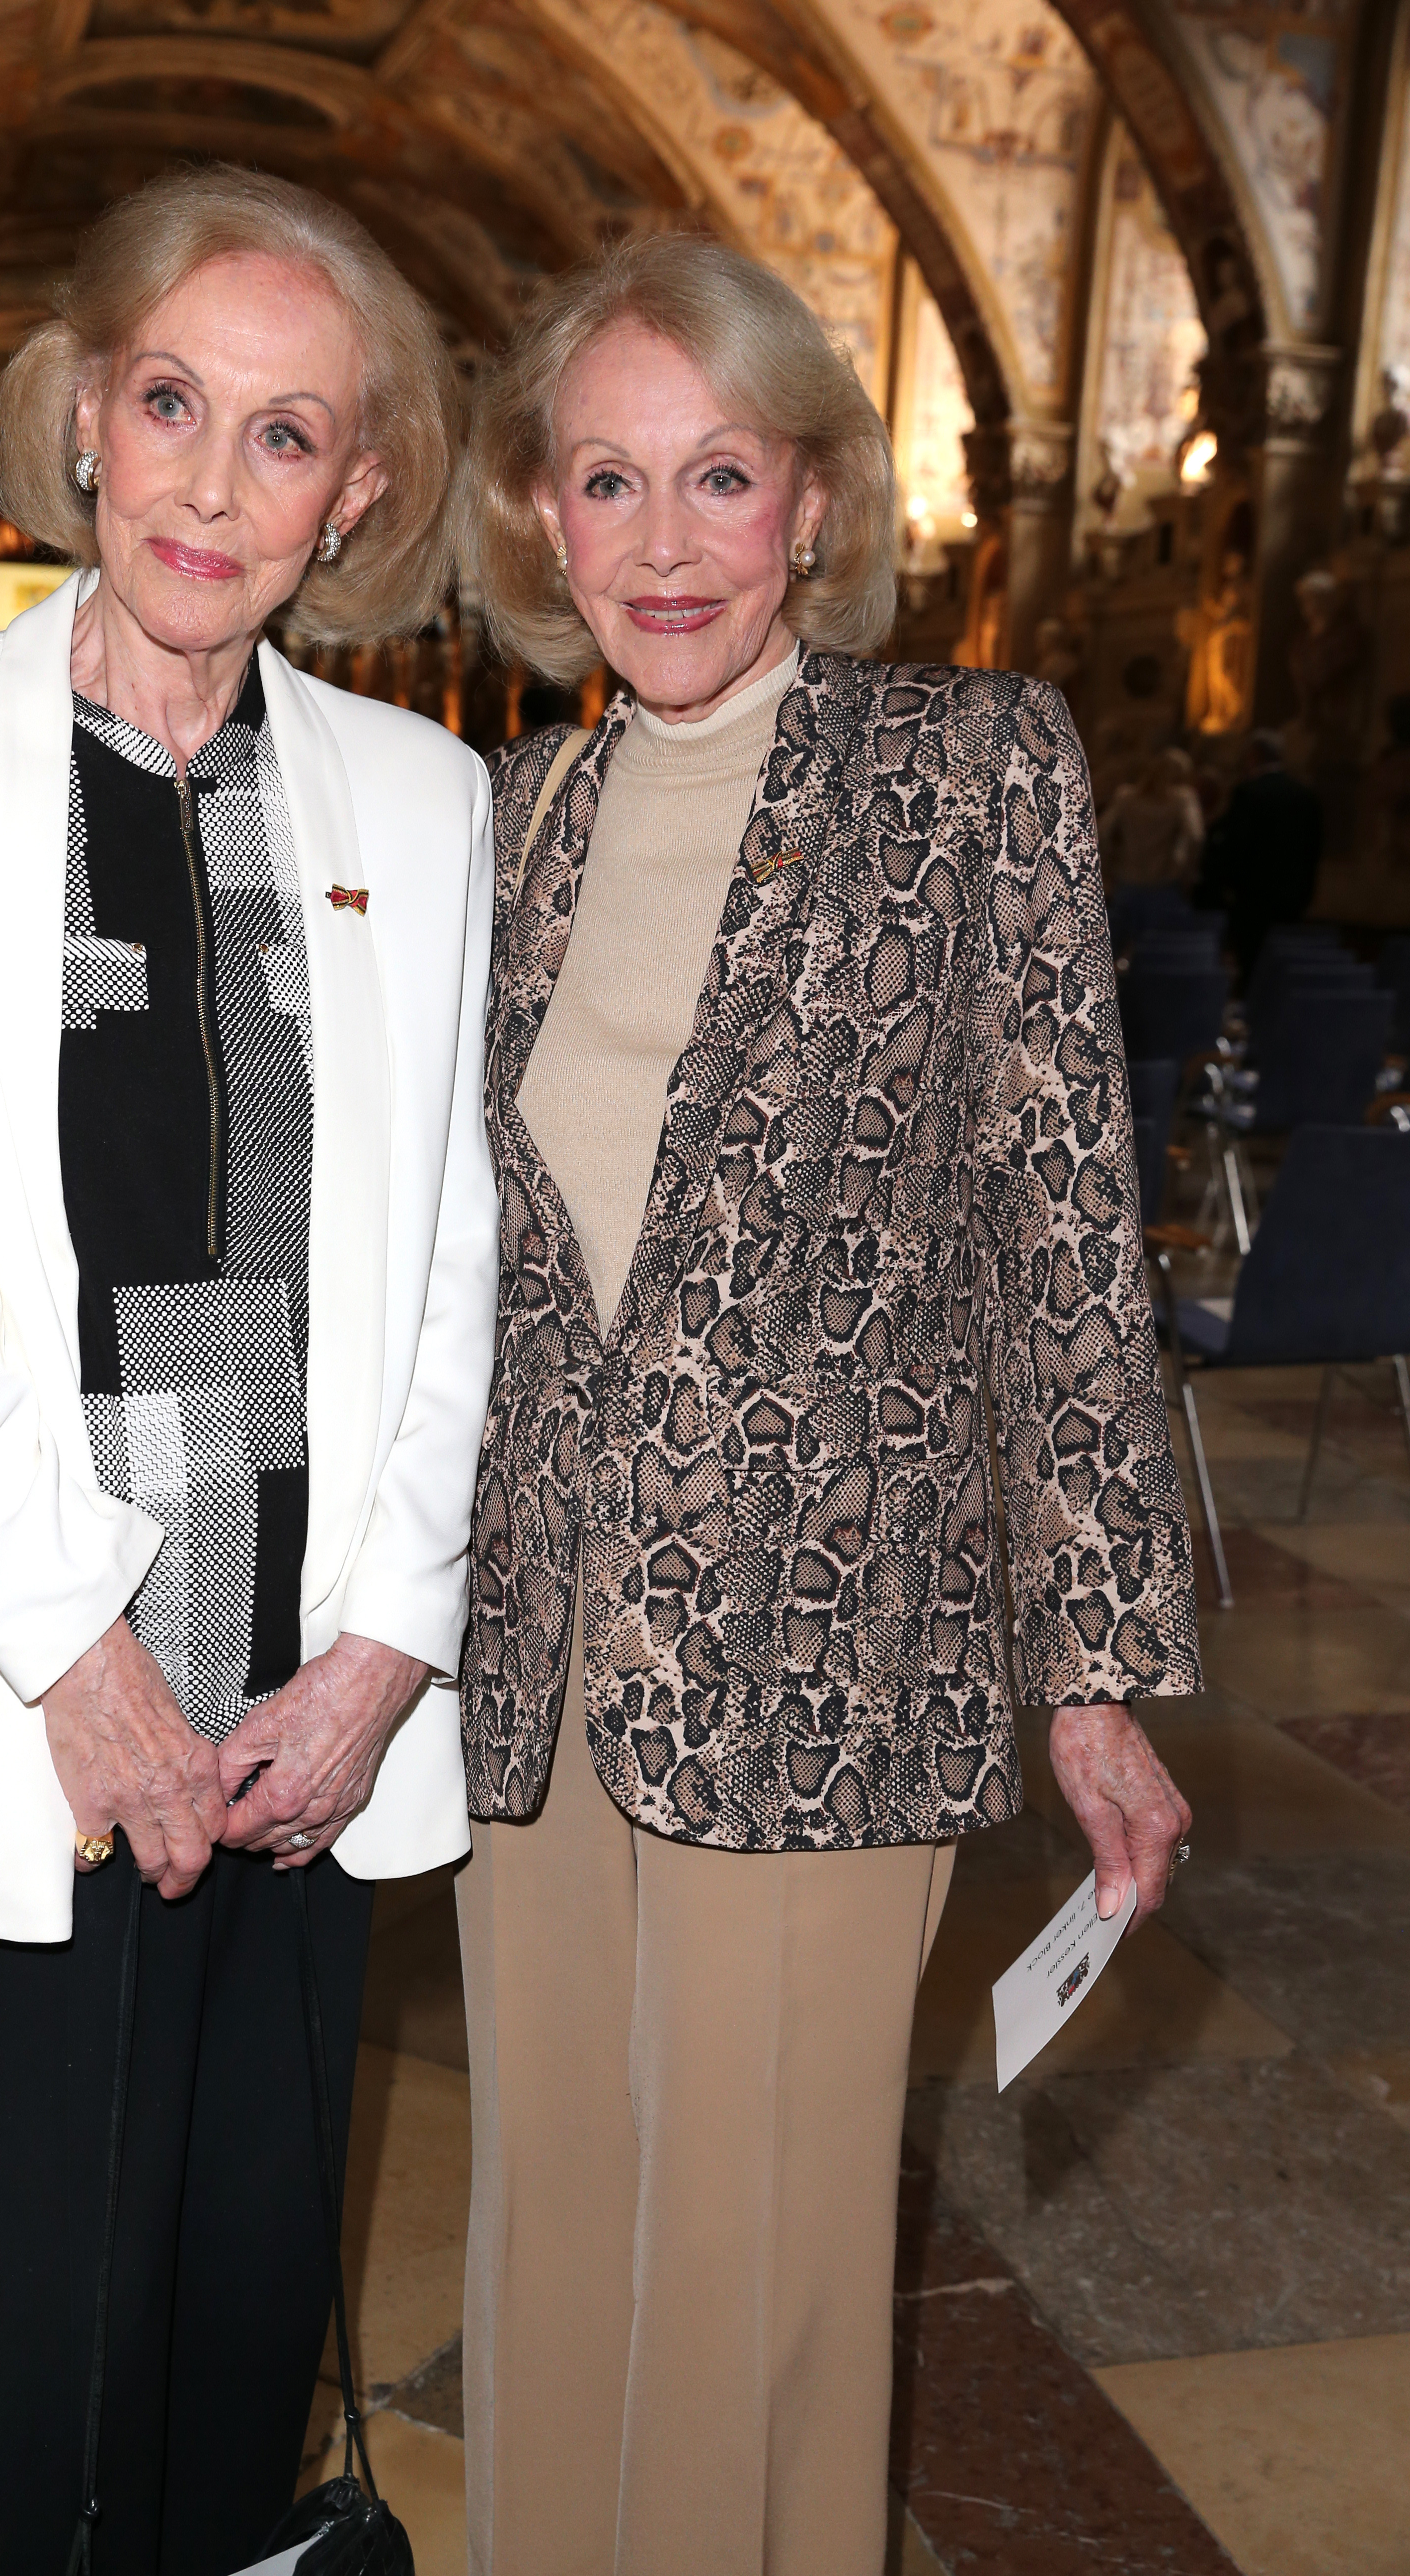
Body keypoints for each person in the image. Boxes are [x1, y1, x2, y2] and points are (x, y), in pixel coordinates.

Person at [0, 165, 497, 2575]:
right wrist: (88, 1665)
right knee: (23, 2419)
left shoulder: (421, 796)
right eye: (173, 401)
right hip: (32, 1724)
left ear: (357, 489)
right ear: (84, 414)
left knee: (222, 2387)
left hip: (307, 1740)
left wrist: (389, 1641)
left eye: (284, 434)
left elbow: (453, 1255)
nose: (211, 477)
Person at [453, 232, 1199, 2576]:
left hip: (831, 1654)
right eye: (606, 480)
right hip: (537, 1660)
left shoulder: (964, 769)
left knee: (756, 2277)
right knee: (549, 2231)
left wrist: (1091, 1671)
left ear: (807, 504)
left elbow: (1063, 1236)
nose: (661, 544)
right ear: (535, 520)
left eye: (717, 477)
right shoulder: (513, 825)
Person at [1199, 726, 1324, 978]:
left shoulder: (1249, 793)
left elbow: (1235, 846)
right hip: (1293, 899)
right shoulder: (1306, 796)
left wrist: (1225, 888)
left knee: (1250, 968)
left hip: (1253, 899)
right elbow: (1314, 850)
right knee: (1279, 972)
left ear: (1253, 755)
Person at [1099, 744, 1204, 893]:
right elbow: (1195, 836)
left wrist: (1106, 869)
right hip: (1162, 880)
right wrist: (1185, 872)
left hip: (1126, 876)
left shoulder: (1126, 797)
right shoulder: (1183, 800)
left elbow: (1102, 833)